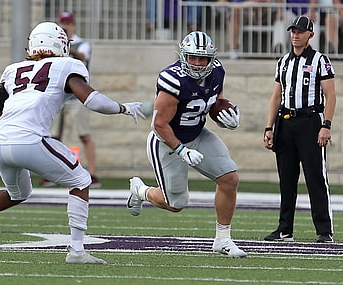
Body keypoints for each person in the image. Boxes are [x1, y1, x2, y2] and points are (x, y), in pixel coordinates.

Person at [0, 22, 145, 263]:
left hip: (2, 143)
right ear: (60, 44)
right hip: (30, 140)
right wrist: (122, 108)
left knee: (18, 193)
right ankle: (77, 251)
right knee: (81, 180)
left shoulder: (13, 71)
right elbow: (92, 101)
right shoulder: (66, 65)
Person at [127, 31, 247, 258]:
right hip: (167, 141)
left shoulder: (217, 71)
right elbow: (159, 124)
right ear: (184, 56)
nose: (198, 63)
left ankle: (222, 240)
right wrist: (181, 150)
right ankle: (141, 191)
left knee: (229, 179)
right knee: (176, 203)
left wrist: (225, 114)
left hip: (198, 134)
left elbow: (213, 100)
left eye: (203, 59)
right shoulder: (173, 80)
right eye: (193, 58)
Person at [263, 15, 336, 243]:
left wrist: (326, 125)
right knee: (286, 179)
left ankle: (324, 231)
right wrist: (269, 127)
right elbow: (276, 96)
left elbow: (331, 95)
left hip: (310, 121)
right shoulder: (283, 61)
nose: (295, 35)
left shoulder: (319, 60)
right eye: (293, 31)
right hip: (285, 121)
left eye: (300, 32)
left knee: (315, 177)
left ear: (310, 35)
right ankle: (285, 229)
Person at [39, 11, 101, 188]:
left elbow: (83, 57)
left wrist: (66, 45)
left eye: (68, 23)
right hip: (59, 96)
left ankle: (94, 173)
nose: (65, 26)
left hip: (77, 97)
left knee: (84, 134)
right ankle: (51, 174)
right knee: (52, 136)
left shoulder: (82, 44)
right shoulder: (56, 45)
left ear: (73, 25)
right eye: (62, 23)